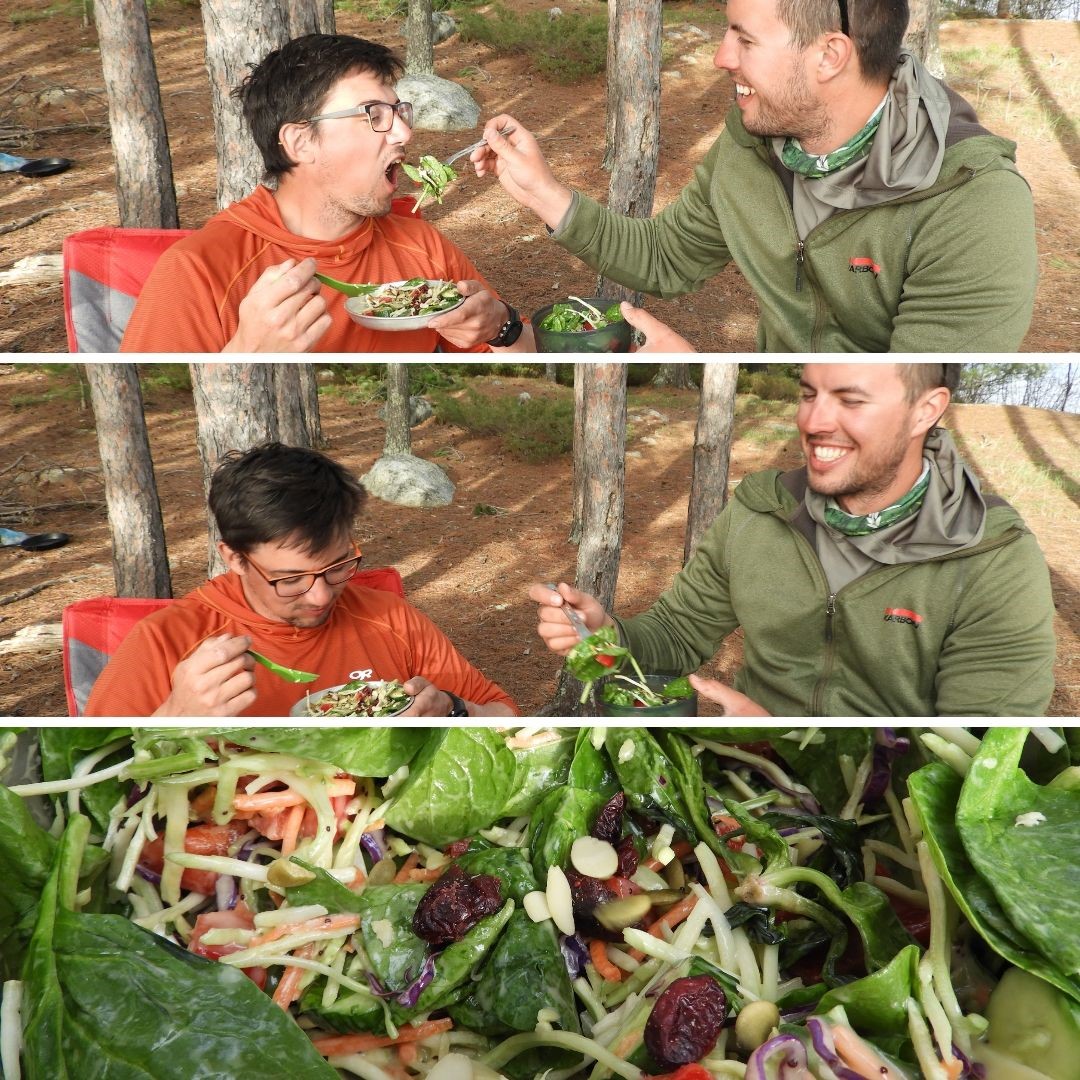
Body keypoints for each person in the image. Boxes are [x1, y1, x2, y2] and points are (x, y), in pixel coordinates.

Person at [471, 0, 1037, 353]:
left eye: (744, 39)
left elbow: (907, 403)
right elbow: (666, 255)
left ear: (829, 55)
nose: (721, 58)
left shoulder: (974, 205)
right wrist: (543, 192)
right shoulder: (751, 144)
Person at [530, 364, 1056, 717]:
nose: (813, 421)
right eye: (808, 394)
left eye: (850, 400)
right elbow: (679, 633)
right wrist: (607, 635)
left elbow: (983, 745)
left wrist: (785, 742)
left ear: (926, 410)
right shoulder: (761, 512)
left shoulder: (992, 558)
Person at [121, 34, 532, 354]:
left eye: (400, 111)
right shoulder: (199, 271)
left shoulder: (425, 250)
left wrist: (502, 324)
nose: (405, 133)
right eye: (374, 115)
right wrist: (249, 351)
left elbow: (524, 351)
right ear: (300, 142)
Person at [86, 443, 517, 717]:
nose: (321, 595)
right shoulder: (166, 643)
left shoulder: (390, 619)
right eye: (289, 579)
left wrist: (456, 709)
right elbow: (94, 787)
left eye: (337, 566)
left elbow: (505, 715)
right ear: (234, 558)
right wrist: (176, 717)